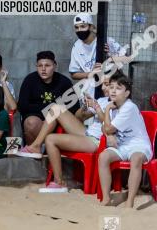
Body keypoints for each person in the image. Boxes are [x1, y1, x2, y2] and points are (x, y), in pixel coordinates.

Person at [17, 74, 114, 192]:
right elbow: (79, 117)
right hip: (88, 132)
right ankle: (36, 146)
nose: (103, 88)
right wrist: (85, 107)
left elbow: (108, 128)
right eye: (103, 84)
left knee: (51, 139)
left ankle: (59, 182)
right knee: (55, 108)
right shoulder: (103, 100)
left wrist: (98, 109)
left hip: (98, 140)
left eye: (107, 85)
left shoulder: (120, 105)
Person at [97, 74, 152, 207]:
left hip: (139, 145)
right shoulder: (114, 105)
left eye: (118, 88)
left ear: (127, 93)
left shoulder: (129, 107)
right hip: (122, 145)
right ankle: (106, 198)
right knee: (103, 157)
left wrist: (108, 111)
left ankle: (130, 202)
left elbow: (108, 127)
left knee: (136, 159)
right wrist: (109, 135)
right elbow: (104, 127)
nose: (113, 91)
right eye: (111, 87)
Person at [17, 51, 77, 147]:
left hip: (57, 121)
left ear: (54, 65)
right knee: (31, 123)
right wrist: (49, 108)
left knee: (54, 117)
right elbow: (22, 106)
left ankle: (45, 149)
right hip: (36, 119)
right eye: (40, 66)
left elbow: (74, 107)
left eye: (47, 65)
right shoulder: (30, 80)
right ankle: (32, 150)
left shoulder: (64, 82)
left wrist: (53, 114)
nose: (43, 69)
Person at [70, 13, 127, 98]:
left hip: (111, 89)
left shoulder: (107, 41)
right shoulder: (76, 46)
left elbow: (127, 58)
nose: (79, 30)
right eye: (76, 27)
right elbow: (73, 74)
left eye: (83, 26)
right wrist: (91, 73)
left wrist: (110, 56)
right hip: (90, 90)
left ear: (91, 27)